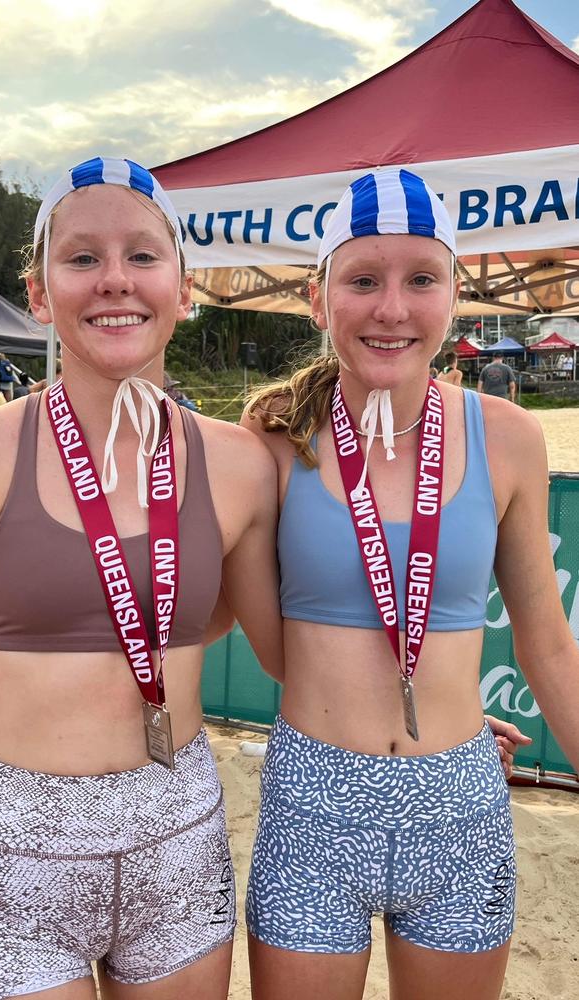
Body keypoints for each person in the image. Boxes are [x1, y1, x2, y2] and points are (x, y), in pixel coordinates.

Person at [0, 155, 282, 999]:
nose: (115, 280)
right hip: (17, 852)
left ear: (183, 286)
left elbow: (245, 634)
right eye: (82, 257)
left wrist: (442, 727)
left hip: (178, 838)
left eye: (143, 256)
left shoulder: (240, 466)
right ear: (41, 292)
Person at [242, 168, 578, 1000]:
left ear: (453, 295)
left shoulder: (505, 436)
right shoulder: (276, 438)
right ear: (321, 301)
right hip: (313, 801)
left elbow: (544, 639)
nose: (392, 308)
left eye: (420, 279)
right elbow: (200, 599)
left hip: (458, 802)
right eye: (363, 280)